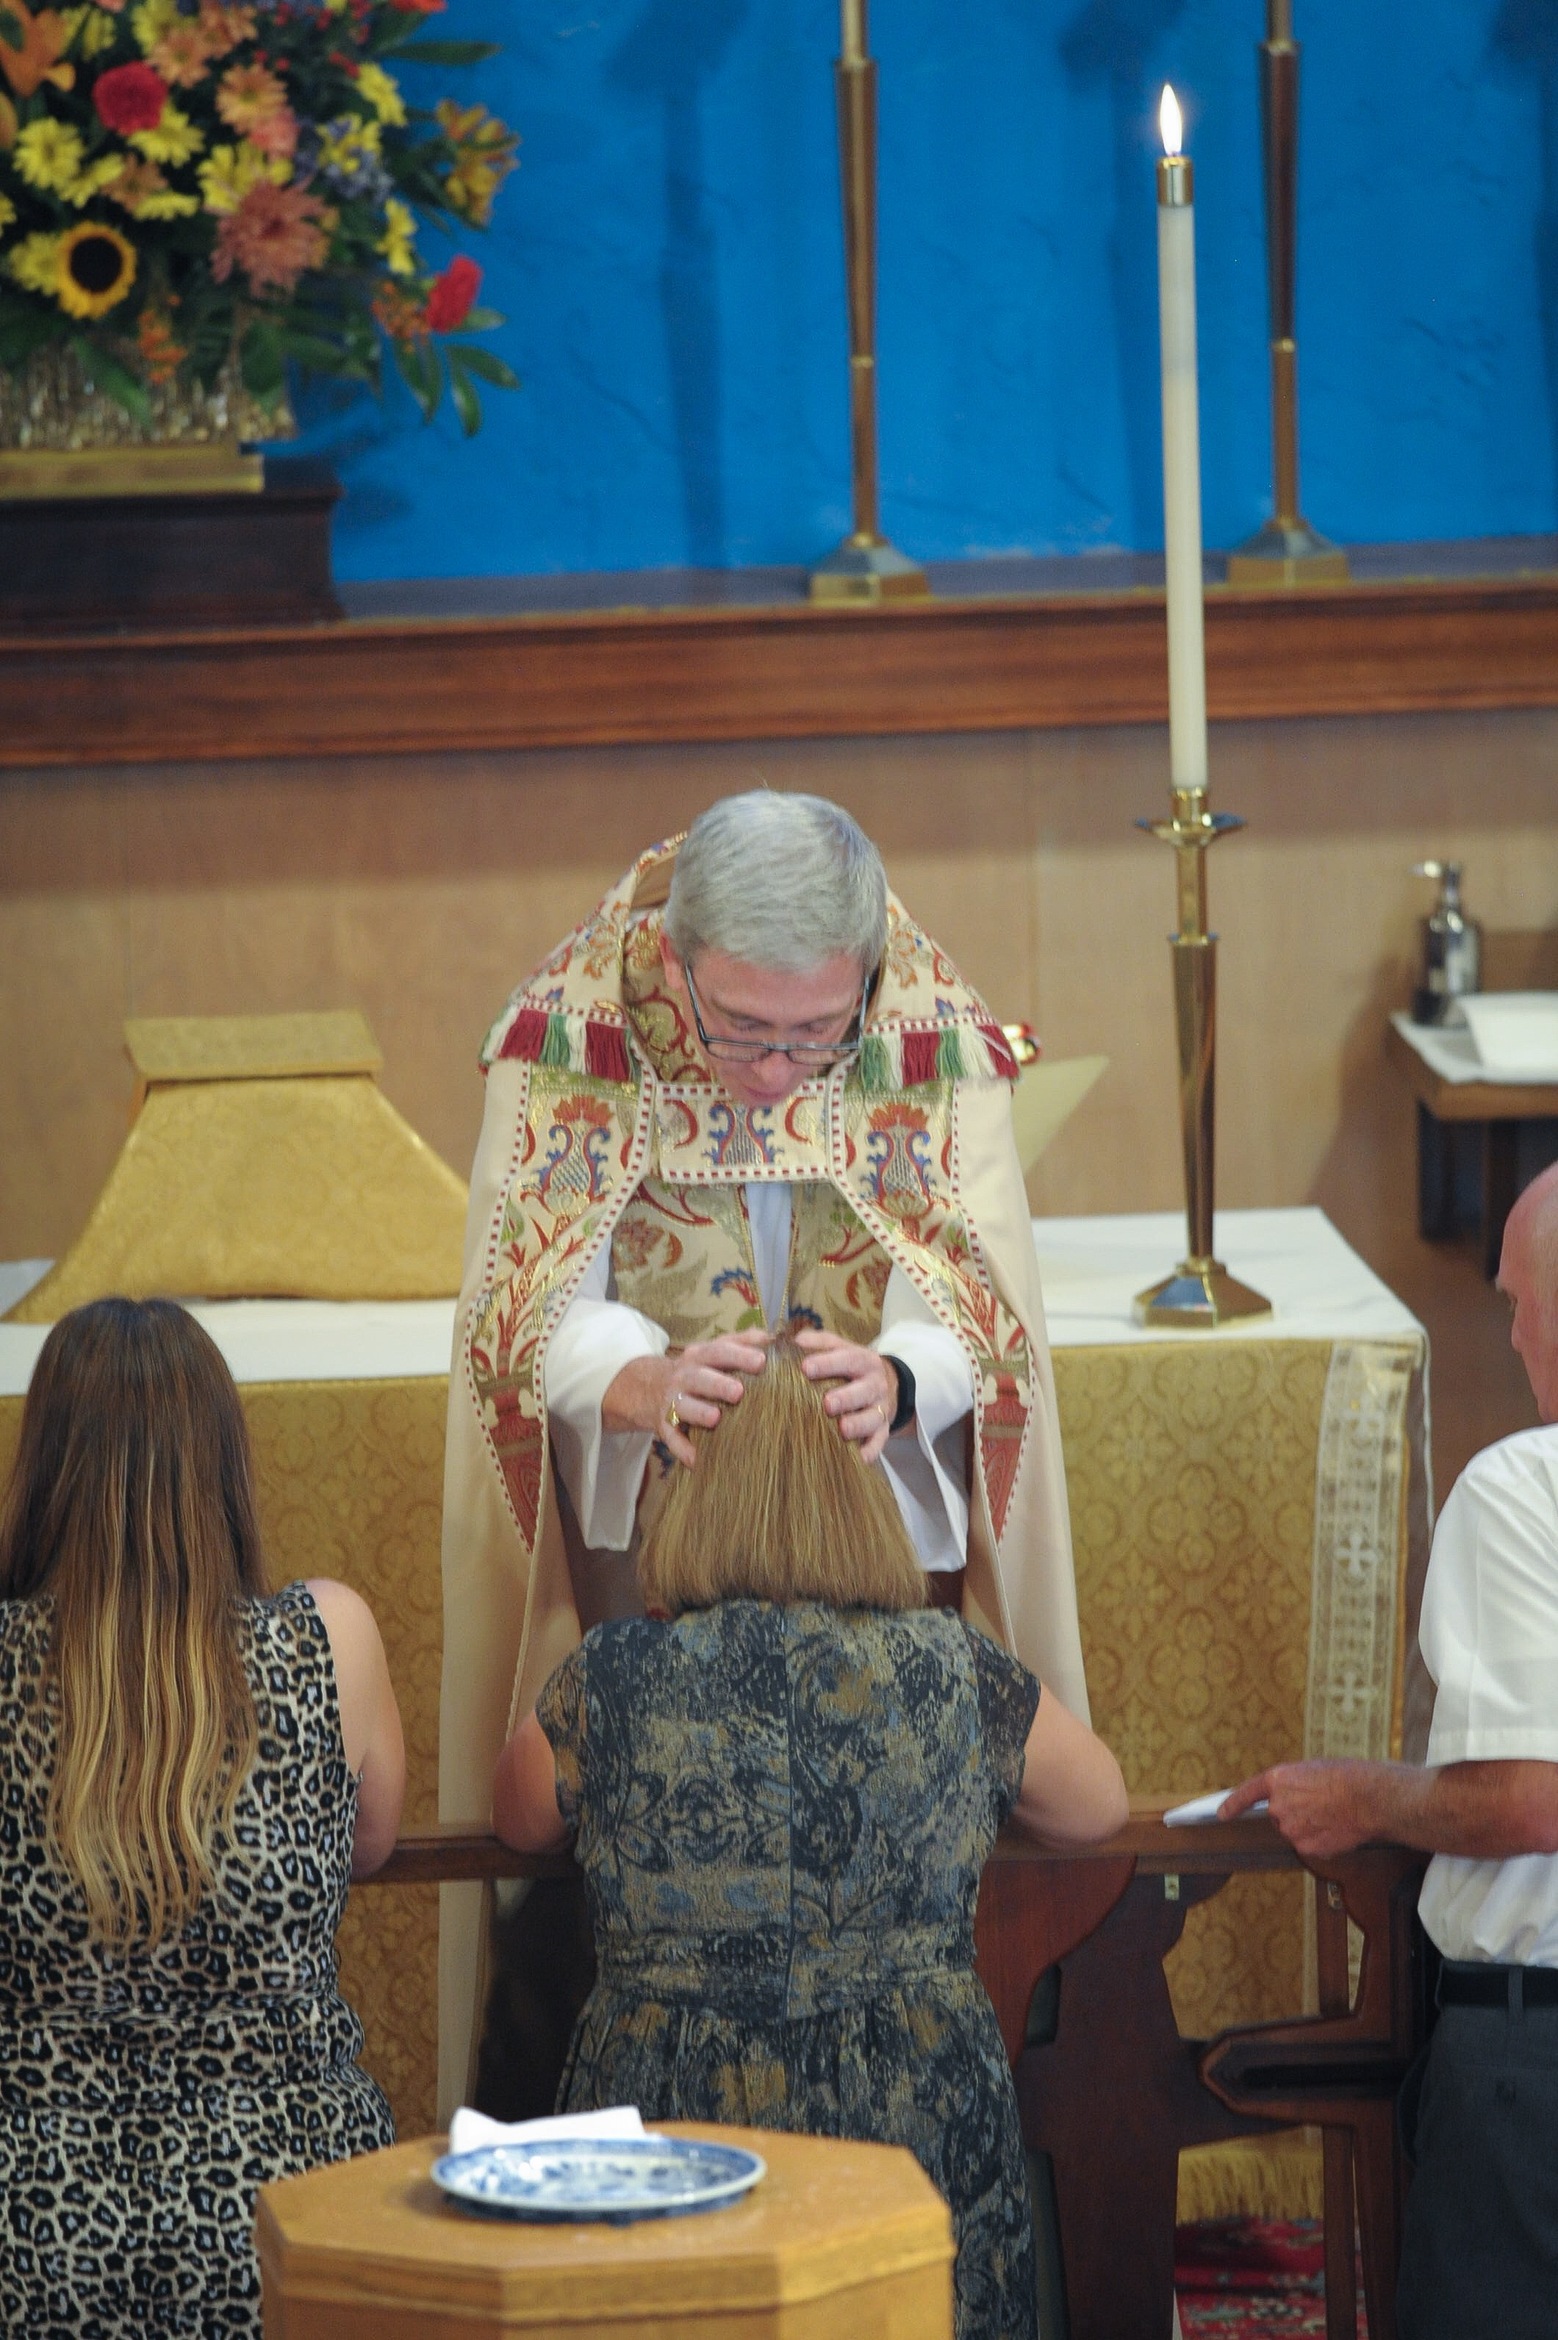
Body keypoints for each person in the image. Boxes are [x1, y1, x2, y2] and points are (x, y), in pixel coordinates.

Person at [441, 789, 1088, 2110]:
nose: (779, 1073)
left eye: (813, 1036)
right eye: (740, 1031)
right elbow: (518, 1309)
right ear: (678, 966)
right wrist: (620, 1376)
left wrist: (904, 1380)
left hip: (874, 1580)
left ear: (860, 983)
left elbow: (984, 1297)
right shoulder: (570, 1036)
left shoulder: (926, 1040)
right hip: (648, 1569)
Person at [491, 1339, 1126, 2340]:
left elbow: (517, 1815)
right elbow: (1098, 1805)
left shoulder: (611, 1674)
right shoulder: (946, 1668)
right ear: (859, 1494)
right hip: (909, 2109)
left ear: (684, 1491)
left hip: (675, 2109)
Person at [0, 1298, 405, 2339]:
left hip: (34, 2204)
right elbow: (371, 1843)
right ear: (221, 1465)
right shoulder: (331, 1636)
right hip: (290, 2204)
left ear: (43, 1465)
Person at [1220, 1160, 1558, 2340]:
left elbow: (1528, 1801)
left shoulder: (1526, 1489)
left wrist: (1365, 1793)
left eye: (1518, 1301)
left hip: (1538, 2067)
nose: (1512, 1334)